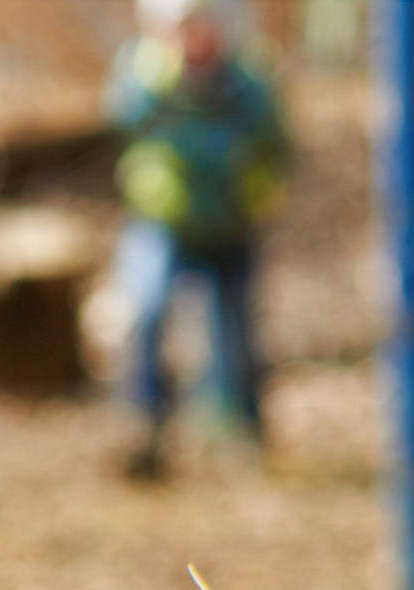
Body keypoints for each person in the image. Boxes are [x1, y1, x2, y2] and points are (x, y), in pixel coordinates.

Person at [105, 0, 290, 479]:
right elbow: (119, 118)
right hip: (163, 220)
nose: (194, 37)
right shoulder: (147, 75)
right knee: (145, 311)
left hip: (229, 220)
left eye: (202, 26)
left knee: (235, 332)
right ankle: (142, 426)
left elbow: (276, 145)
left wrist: (260, 193)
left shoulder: (246, 81)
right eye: (183, 27)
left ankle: (241, 431)